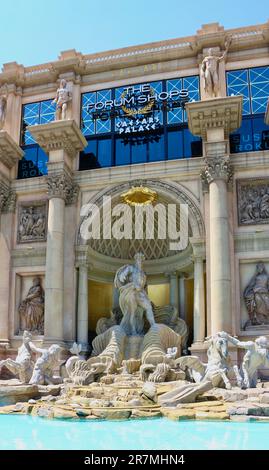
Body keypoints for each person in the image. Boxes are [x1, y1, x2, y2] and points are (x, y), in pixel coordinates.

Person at [114, 252, 155, 335]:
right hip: (132, 292)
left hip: (140, 293)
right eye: (138, 259)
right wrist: (123, 276)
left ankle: (154, 326)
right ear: (135, 260)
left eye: (141, 260)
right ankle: (133, 331)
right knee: (132, 312)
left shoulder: (144, 274)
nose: (139, 261)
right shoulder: (131, 268)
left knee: (148, 307)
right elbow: (122, 276)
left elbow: (143, 286)